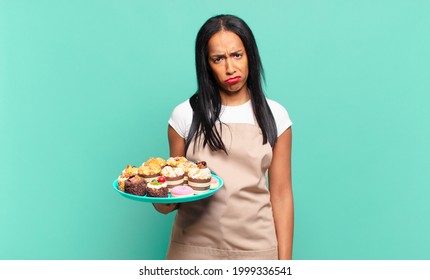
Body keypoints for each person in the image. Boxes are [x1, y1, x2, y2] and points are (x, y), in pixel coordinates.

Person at [153, 14, 293, 260]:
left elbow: (281, 196)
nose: (230, 68)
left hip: (257, 250)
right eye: (218, 59)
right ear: (206, 64)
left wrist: (285, 267)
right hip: (193, 250)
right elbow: (172, 196)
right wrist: (156, 196)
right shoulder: (185, 115)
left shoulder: (276, 116)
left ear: (250, 55)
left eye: (237, 55)